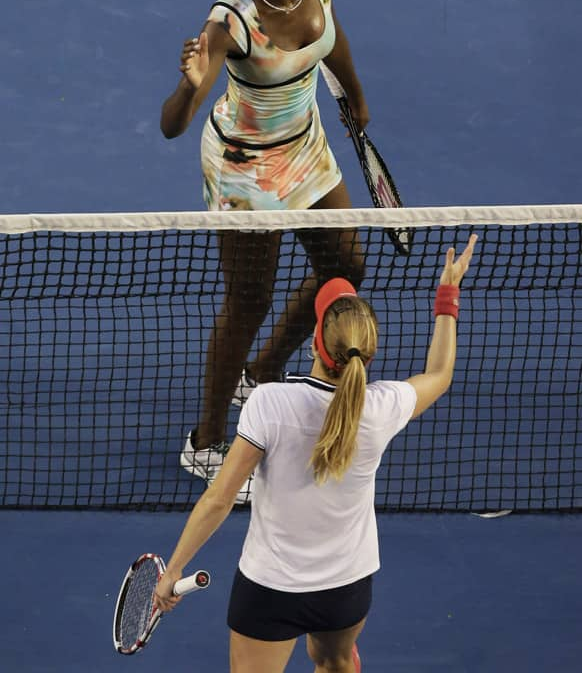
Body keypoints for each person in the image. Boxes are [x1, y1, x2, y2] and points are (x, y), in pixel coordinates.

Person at [154, 235, 478, 673]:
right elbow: (439, 373)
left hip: (269, 589)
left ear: (313, 344)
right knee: (335, 660)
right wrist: (448, 291)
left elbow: (219, 498)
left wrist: (172, 571)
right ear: (367, 353)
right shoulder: (382, 407)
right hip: (347, 588)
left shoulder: (269, 403)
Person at [160, 0, 370, 500]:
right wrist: (188, 84)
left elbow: (332, 35)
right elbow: (174, 125)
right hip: (246, 173)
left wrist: (353, 92)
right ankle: (205, 443)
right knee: (248, 302)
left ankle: (263, 374)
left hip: (306, 145)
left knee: (346, 266)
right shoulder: (227, 22)